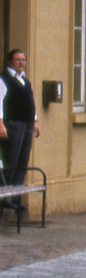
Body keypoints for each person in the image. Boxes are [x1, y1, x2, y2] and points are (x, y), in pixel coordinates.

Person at [0, 50, 39, 211]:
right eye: (17, 60)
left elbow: (31, 101)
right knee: (11, 161)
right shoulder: (4, 79)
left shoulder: (25, 81)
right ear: (10, 61)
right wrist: (0, 123)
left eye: (23, 59)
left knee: (22, 162)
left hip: (27, 125)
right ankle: (6, 199)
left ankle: (16, 197)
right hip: (12, 124)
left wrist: (35, 121)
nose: (21, 63)